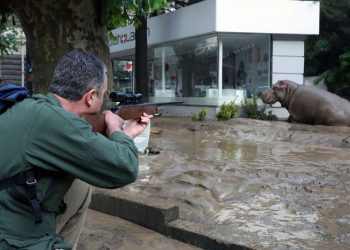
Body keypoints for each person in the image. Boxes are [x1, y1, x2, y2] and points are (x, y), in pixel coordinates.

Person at [0, 49, 152, 250]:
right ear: (90, 97)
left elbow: (88, 148)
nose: (104, 101)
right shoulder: (54, 123)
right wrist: (116, 128)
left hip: (13, 204)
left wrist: (125, 134)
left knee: (79, 188)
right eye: (103, 94)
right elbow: (125, 168)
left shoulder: (37, 107)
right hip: (11, 234)